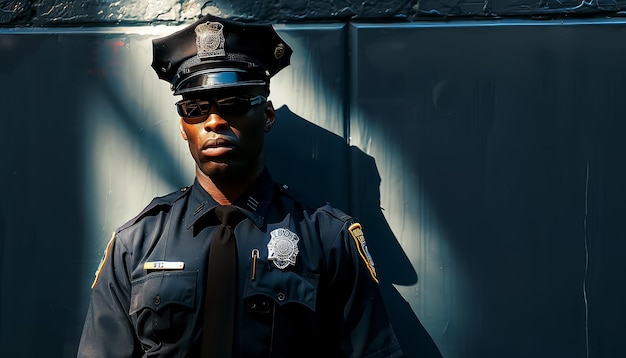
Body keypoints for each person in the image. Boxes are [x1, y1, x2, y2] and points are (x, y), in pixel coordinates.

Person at [77, 13, 403, 358]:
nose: (214, 121)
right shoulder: (136, 244)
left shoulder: (326, 239)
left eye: (233, 104)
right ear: (182, 126)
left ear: (267, 116)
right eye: (195, 108)